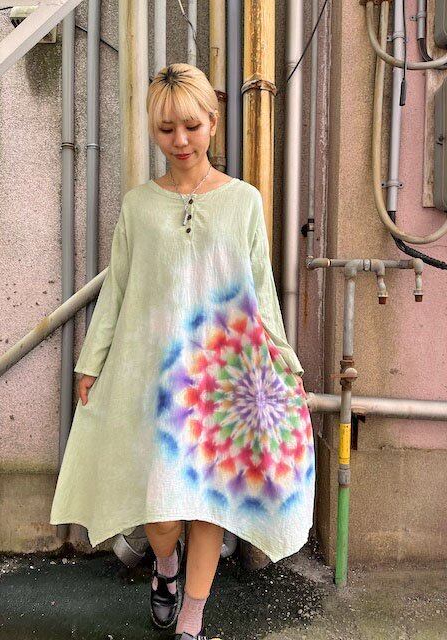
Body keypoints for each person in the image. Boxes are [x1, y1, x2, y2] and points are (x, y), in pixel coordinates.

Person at [50, 63, 315, 640]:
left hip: (223, 378)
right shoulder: (139, 206)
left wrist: (284, 360)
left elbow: (260, 289)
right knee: (163, 508)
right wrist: (91, 361)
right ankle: (164, 565)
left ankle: (192, 612)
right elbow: (118, 290)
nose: (180, 140)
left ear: (213, 123)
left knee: (209, 501)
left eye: (192, 126)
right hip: (156, 379)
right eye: (167, 129)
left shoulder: (244, 202)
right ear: (154, 130)